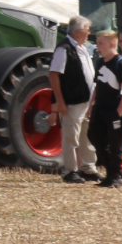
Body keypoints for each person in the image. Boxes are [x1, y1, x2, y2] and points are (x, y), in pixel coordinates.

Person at [48, 17, 99, 183]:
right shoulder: (64, 49)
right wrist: (60, 102)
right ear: (78, 32)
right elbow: (54, 74)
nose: (89, 33)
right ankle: (70, 171)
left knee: (86, 135)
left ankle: (88, 168)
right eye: (87, 30)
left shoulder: (82, 48)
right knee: (71, 136)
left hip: (86, 101)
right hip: (73, 102)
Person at [87, 30, 122, 188]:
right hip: (100, 108)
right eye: (97, 43)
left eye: (101, 43)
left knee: (116, 144)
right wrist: (91, 105)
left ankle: (116, 176)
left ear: (112, 44)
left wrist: (118, 113)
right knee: (96, 139)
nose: (97, 46)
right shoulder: (100, 62)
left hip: (115, 108)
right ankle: (109, 172)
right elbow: (97, 86)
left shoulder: (121, 63)